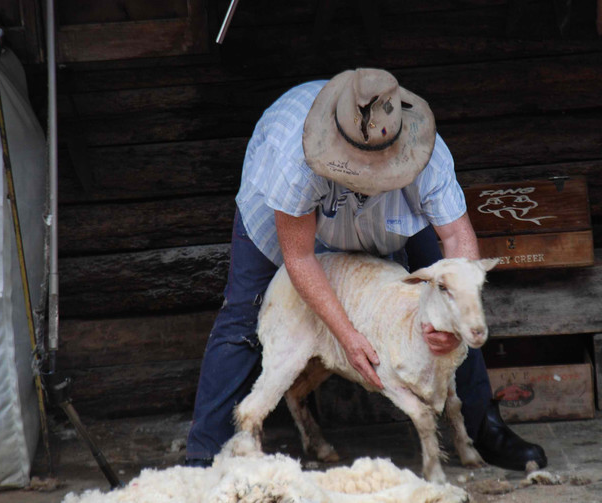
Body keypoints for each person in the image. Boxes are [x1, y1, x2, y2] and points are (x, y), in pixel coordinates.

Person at [185, 68, 547, 471]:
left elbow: (460, 244)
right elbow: (301, 258)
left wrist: (449, 325)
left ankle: (484, 428)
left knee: (449, 293)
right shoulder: (296, 159)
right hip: (290, 222)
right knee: (244, 313)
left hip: (391, 220)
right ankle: (205, 452)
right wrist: (348, 337)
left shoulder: (427, 154)